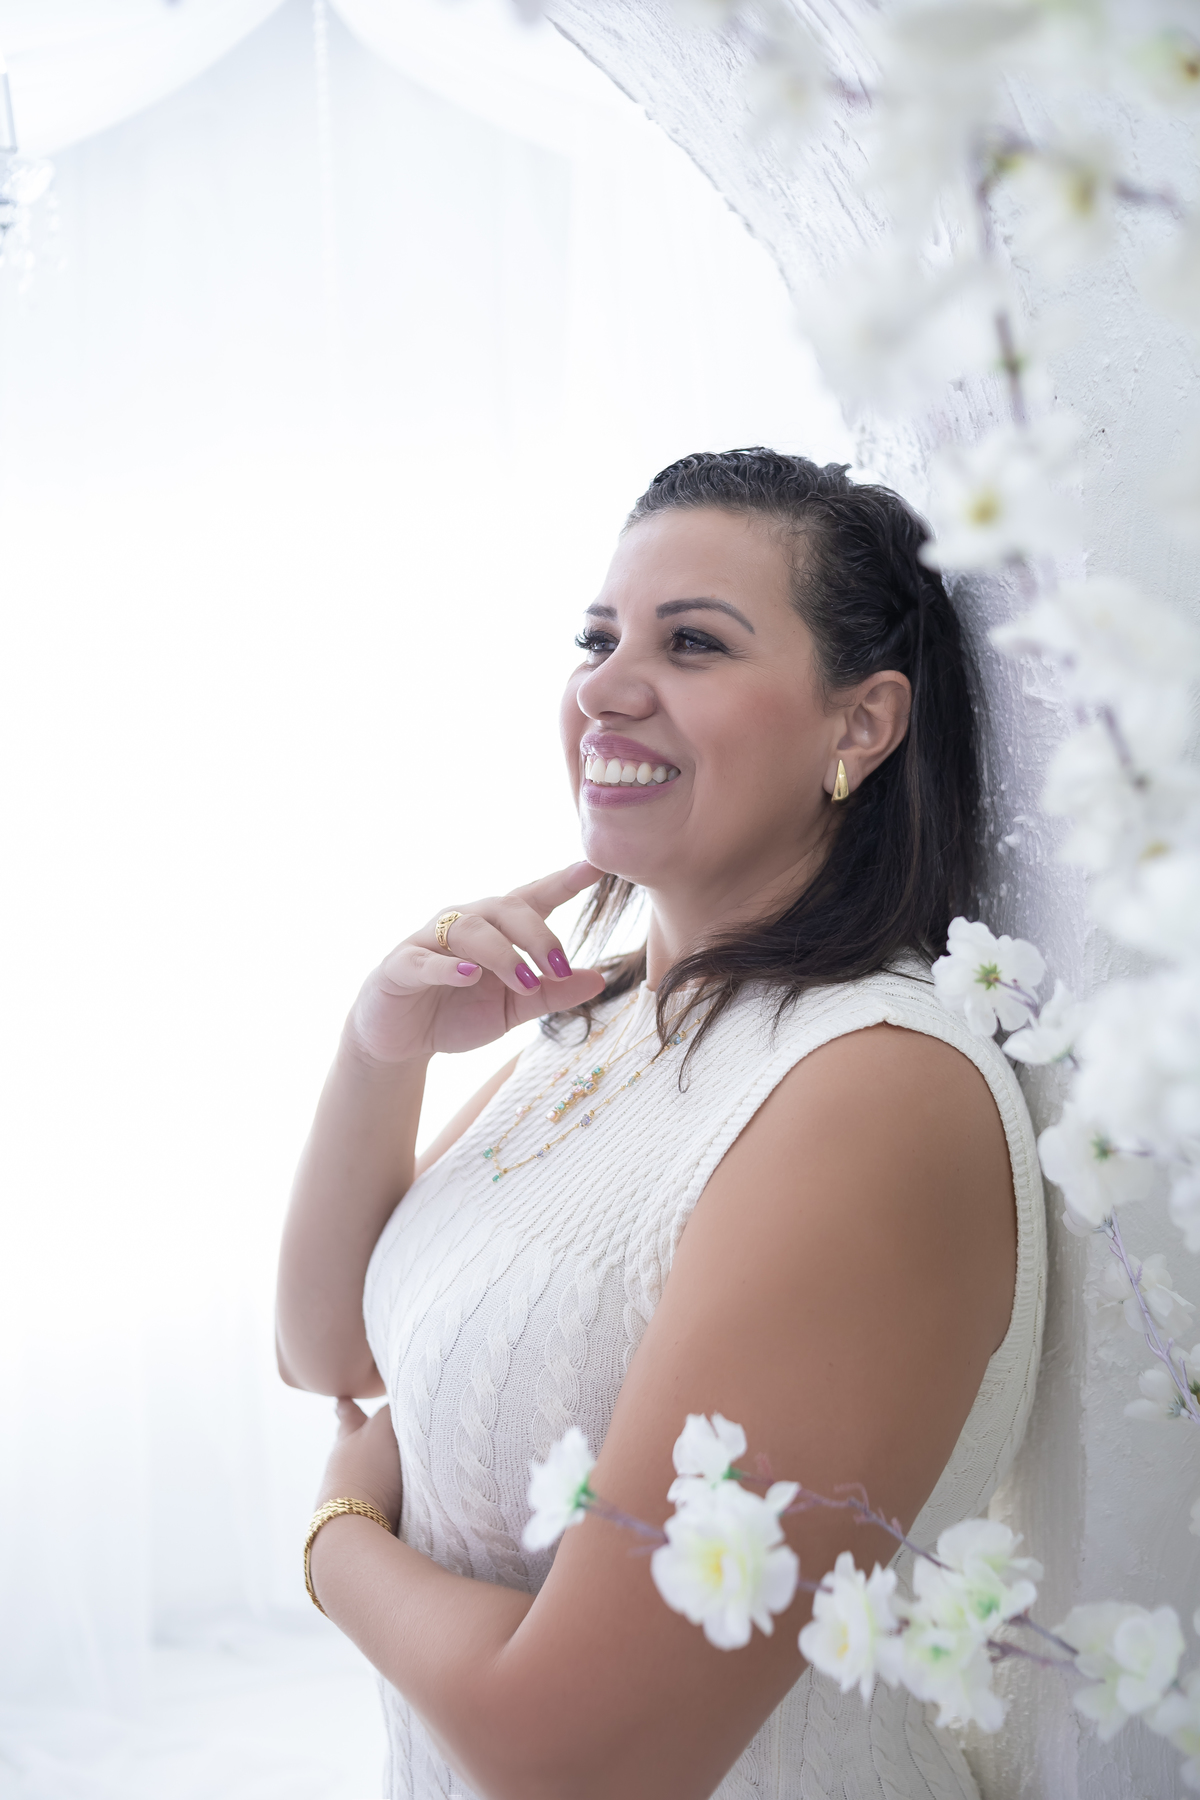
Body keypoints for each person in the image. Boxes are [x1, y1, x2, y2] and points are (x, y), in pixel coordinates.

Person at [275, 448, 1045, 1800]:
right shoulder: (614, 1015)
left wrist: (337, 1542)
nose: (605, 690)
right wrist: (376, 1049)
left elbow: (579, 1759)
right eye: (598, 640)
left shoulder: (870, 1093)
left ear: (860, 725)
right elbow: (331, 1348)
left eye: (692, 644)